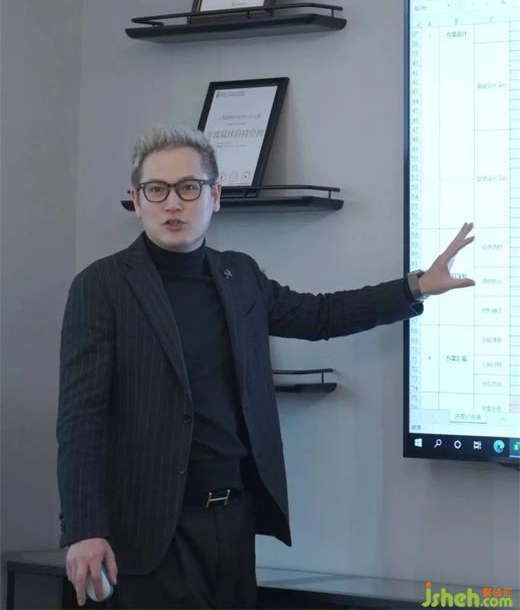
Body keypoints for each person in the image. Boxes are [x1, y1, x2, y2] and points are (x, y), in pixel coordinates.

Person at [56, 126, 475, 609]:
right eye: (157, 189)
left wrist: (415, 287)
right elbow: (80, 419)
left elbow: (320, 315)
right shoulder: (101, 286)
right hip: (148, 533)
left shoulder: (239, 275)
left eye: (189, 187)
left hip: (233, 521)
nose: (173, 203)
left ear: (215, 196)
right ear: (136, 199)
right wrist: (84, 529)